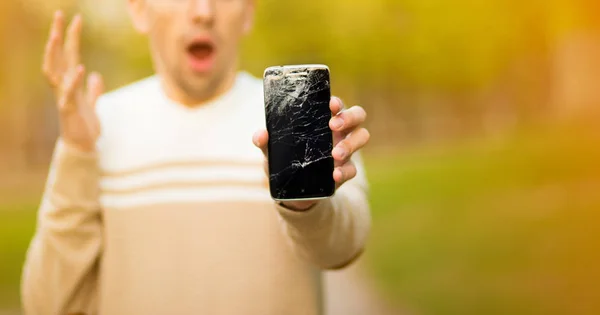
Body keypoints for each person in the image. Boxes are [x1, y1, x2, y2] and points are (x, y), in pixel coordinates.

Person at [21, 0, 371, 314]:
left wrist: (305, 206)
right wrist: (77, 153)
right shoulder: (97, 124)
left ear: (248, 12)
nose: (204, 11)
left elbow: (342, 249)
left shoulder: (295, 120)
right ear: (139, 10)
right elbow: (47, 303)